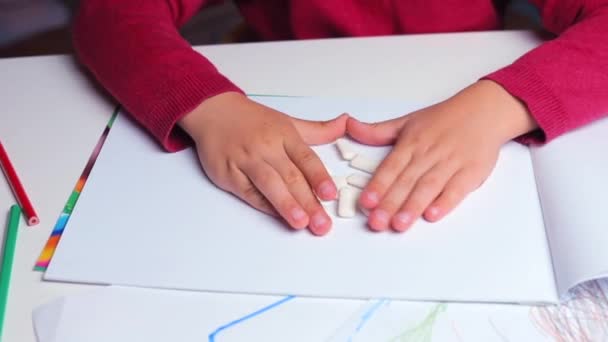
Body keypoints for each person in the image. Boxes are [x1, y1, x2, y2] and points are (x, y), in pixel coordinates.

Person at [72, 1, 608, 236]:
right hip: (289, 84)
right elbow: (110, 15)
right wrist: (207, 107)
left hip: (467, 80)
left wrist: (502, 105)